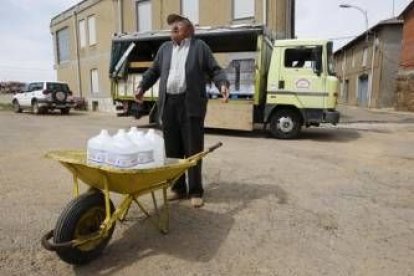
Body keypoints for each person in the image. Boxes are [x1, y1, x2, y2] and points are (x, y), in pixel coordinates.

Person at [134, 14, 229, 208]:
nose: (173, 28)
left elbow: (215, 70)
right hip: (168, 103)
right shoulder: (164, 49)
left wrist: (223, 85)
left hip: (190, 103)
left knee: (193, 149)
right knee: (173, 150)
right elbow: (153, 71)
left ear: (189, 29)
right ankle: (178, 188)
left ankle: (195, 190)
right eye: (171, 26)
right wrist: (142, 86)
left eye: (178, 25)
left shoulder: (199, 48)